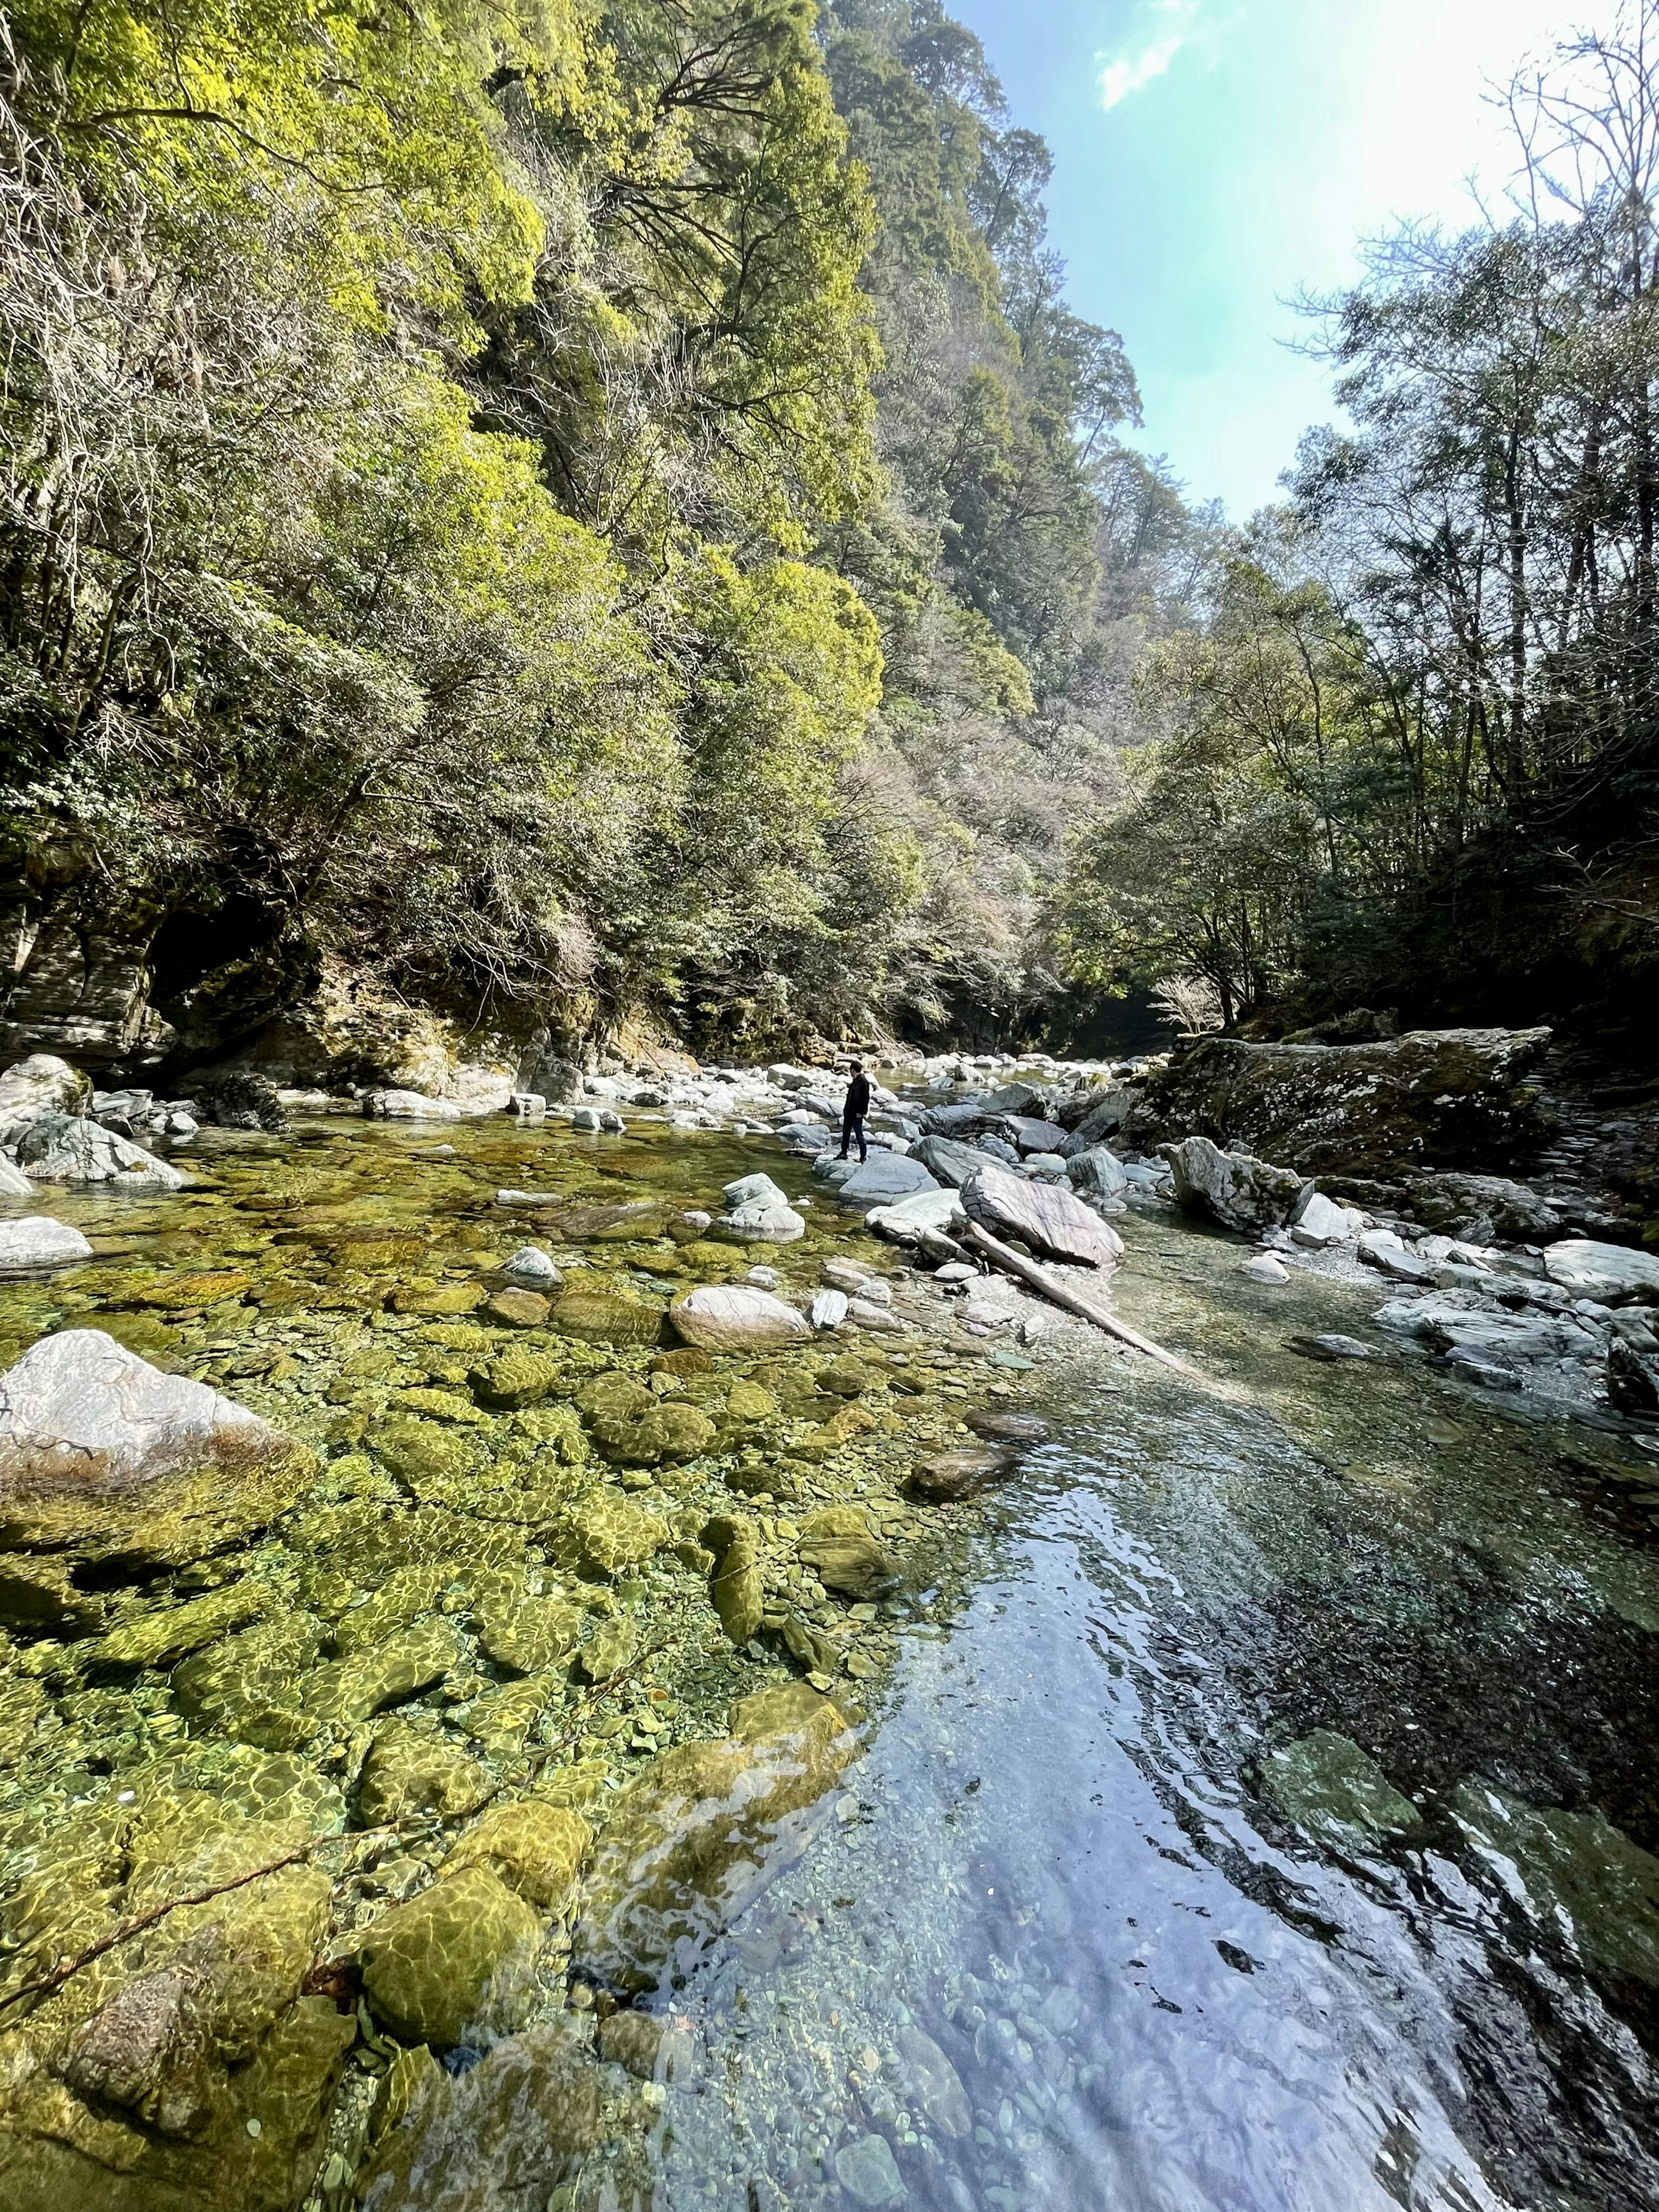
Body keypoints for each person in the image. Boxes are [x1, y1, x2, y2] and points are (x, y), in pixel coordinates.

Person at [839, 1062, 871, 1162]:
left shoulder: (864, 1082)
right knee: (846, 1133)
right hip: (849, 1112)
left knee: (859, 1135)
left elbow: (866, 1099)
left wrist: (862, 1112)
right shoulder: (856, 1081)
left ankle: (863, 1157)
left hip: (857, 1114)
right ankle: (844, 1153)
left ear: (853, 1070)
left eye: (851, 1071)